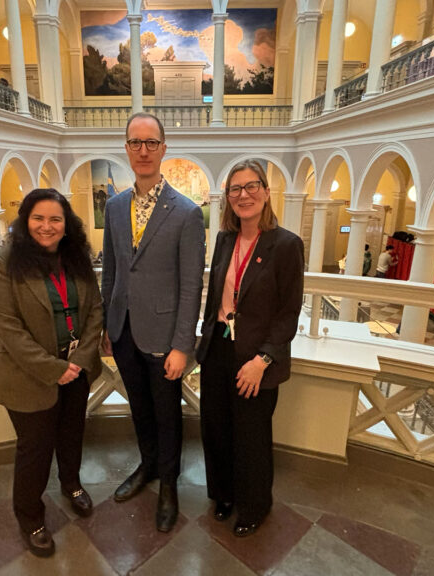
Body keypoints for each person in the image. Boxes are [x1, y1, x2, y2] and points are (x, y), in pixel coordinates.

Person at [101, 112, 205, 532]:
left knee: (167, 413)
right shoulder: (113, 206)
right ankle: (146, 467)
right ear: (126, 148)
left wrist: (183, 345)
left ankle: (169, 485)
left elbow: (191, 286)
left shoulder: (186, 213)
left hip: (165, 337)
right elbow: (112, 270)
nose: (143, 150)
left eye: (151, 143)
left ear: (163, 148)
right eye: (135, 142)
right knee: (139, 408)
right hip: (124, 331)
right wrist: (108, 326)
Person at [0, 188, 103, 558]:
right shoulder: (4, 262)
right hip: (28, 376)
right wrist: (54, 369)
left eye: (55, 219)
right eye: (38, 218)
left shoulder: (76, 258)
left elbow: (95, 311)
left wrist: (80, 361)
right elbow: (9, 328)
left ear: (66, 225)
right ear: (25, 221)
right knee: (34, 451)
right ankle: (31, 516)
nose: (47, 226)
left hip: (76, 369)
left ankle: (71, 485)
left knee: (72, 435)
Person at [196, 160, 304, 538]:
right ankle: (223, 495)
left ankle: (255, 505)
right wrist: (206, 341)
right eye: (235, 189)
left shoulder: (287, 245)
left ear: (267, 191)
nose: (243, 195)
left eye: (251, 186)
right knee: (216, 428)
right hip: (218, 350)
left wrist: (263, 359)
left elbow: (289, 312)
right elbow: (217, 298)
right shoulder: (225, 238)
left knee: (251, 437)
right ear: (227, 198)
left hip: (256, 357)